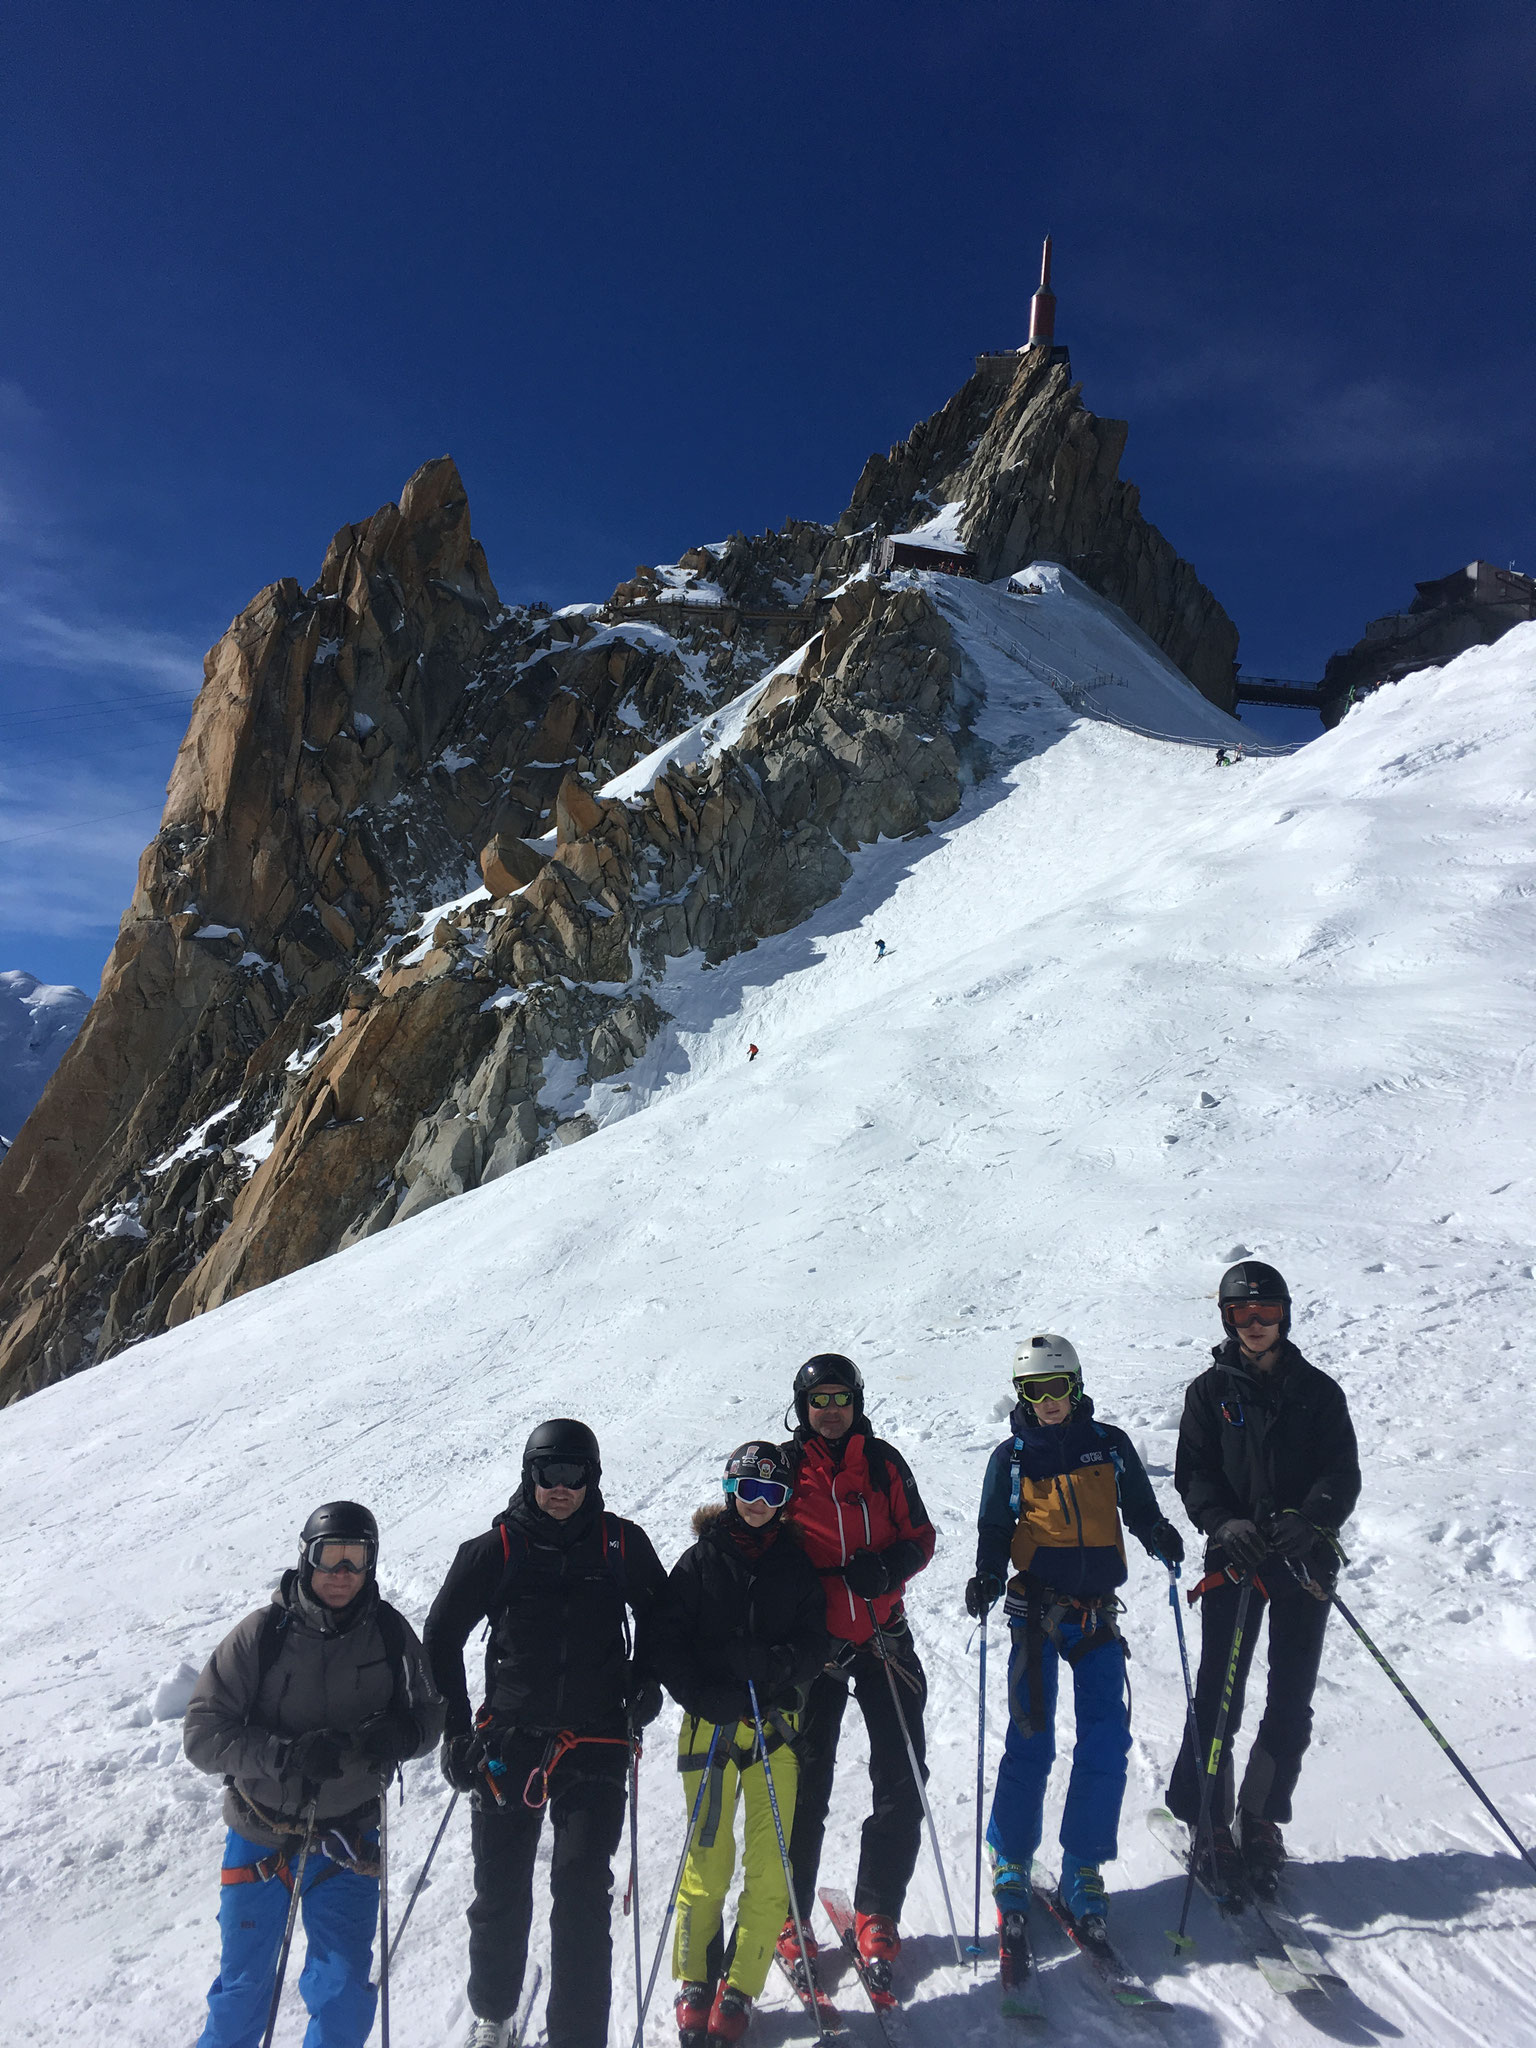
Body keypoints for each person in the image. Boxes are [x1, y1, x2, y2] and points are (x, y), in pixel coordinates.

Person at [424, 1419, 669, 2048]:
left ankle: (577, 2036)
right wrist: (455, 1730)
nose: (560, 1488)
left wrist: (646, 1683)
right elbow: (442, 1635)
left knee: (584, 1892)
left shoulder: (619, 1545)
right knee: (500, 1889)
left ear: (592, 1478)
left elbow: (663, 1615)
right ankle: (494, 2014)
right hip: (510, 1740)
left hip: (598, 1740)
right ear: (529, 1475)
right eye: (547, 1474)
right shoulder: (498, 1548)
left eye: (573, 1475)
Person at [183, 1501, 443, 2048]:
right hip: (261, 1835)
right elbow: (203, 1735)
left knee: (344, 1990)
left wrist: (401, 1735)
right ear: (307, 1557)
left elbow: (428, 1716)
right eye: (331, 1557)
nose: (342, 1573)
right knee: (244, 1988)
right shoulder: (262, 1635)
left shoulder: (391, 1635)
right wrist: (285, 1756)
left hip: (348, 1838)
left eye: (356, 1558)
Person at [967, 1337, 1183, 1968]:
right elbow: (993, 1529)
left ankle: (1083, 1864)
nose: (1048, 1402)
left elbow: (1138, 1506)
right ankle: (1010, 1856)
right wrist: (985, 1574)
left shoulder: (1109, 1446)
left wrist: (1158, 1532)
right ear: (1022, 1396)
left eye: (1057, 1388)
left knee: (1105, 1739)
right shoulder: (1010, 1459)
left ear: (1076, 1386)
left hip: (1094, 1616)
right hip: (1036, 1614)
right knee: (1031, 1736)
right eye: (1034, 1391)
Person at [1165, 1261, 1360, 1898]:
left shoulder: (1319, 1392)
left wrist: (1314, 1518)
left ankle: (1260, 1816)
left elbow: (1341, 1473)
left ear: (1285, 1315)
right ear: (1227, 1319)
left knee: (1291, 1695)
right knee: (1221, 1693)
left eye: (1266, 1312)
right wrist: (1223, 1525)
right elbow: (1193, 1474)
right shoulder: (1209, 1392)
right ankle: (1208, 1822)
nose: (1255, 1325)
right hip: (1236, 1561)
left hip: (1302, 1562)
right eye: (1242, 1314)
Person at [656, 1442, 827, 2045]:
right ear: (731, 1493)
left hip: (772, 1731)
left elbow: (817, 1641)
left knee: (769, 1860)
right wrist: (702, 1692)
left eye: (771, 1494)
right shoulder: (700, 1563)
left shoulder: (797, 1565)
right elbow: (666, 1644)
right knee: (707, 1859)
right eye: (748, 1492)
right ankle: (694, 1979)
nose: (758, 1505)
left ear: (784, 1502)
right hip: (710, 1727)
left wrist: (780, 1665)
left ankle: (741, 1983)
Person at [776, 1353, 936, 1991]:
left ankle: (878, 1909)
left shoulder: (884, 1462)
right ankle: (787, 1913)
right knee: (803, 1787)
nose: (832, 1410)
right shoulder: (786, 1470)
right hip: (812, 1652)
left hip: (880, 1639)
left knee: (902, 1777)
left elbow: (921, 1536)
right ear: (802, 1407)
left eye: (842, 1398)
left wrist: (891, 1565)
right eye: (820, 1401)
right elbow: (754, 1540)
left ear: (858, 1401)